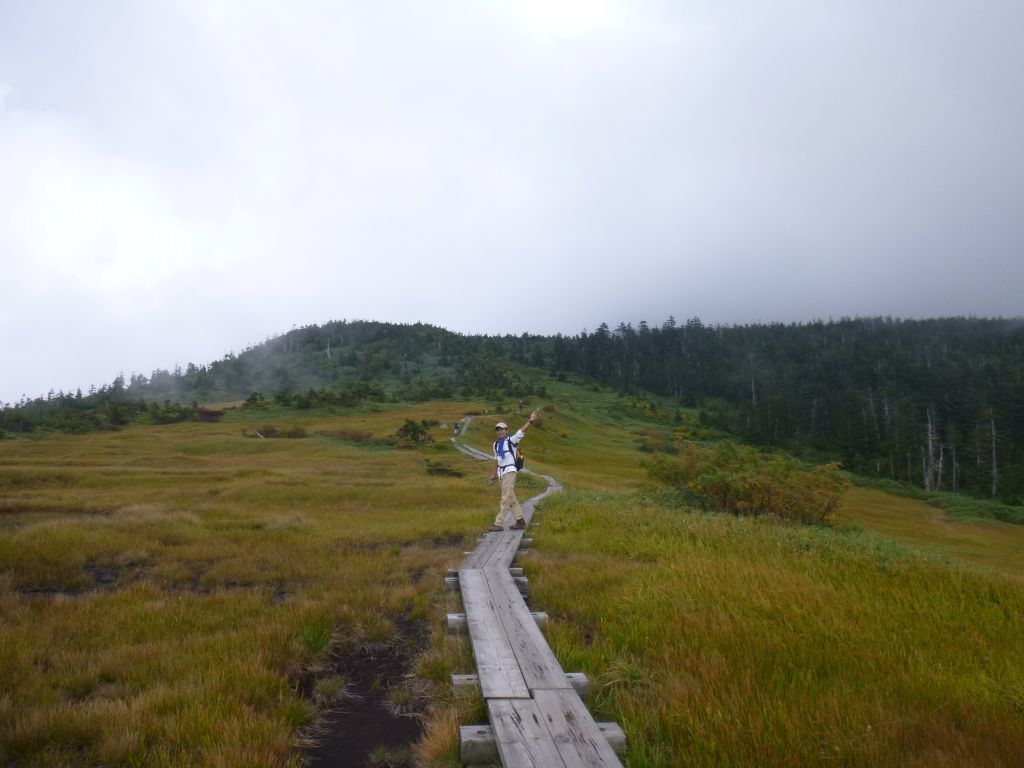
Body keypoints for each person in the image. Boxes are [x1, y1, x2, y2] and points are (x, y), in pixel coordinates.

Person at [488, 410, 539, 531]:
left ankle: (498, 523)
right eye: (498, 429)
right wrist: (494, 474)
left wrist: (530, 421)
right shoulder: (495, 444)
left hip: (510, 471)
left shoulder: (511, 440)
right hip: (501, 473)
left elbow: (521, 432)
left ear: (506, 430)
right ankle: (520, 521)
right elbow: (497, 460)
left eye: (502, 429)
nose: (500, 431)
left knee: (505, 498)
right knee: (511, 498)